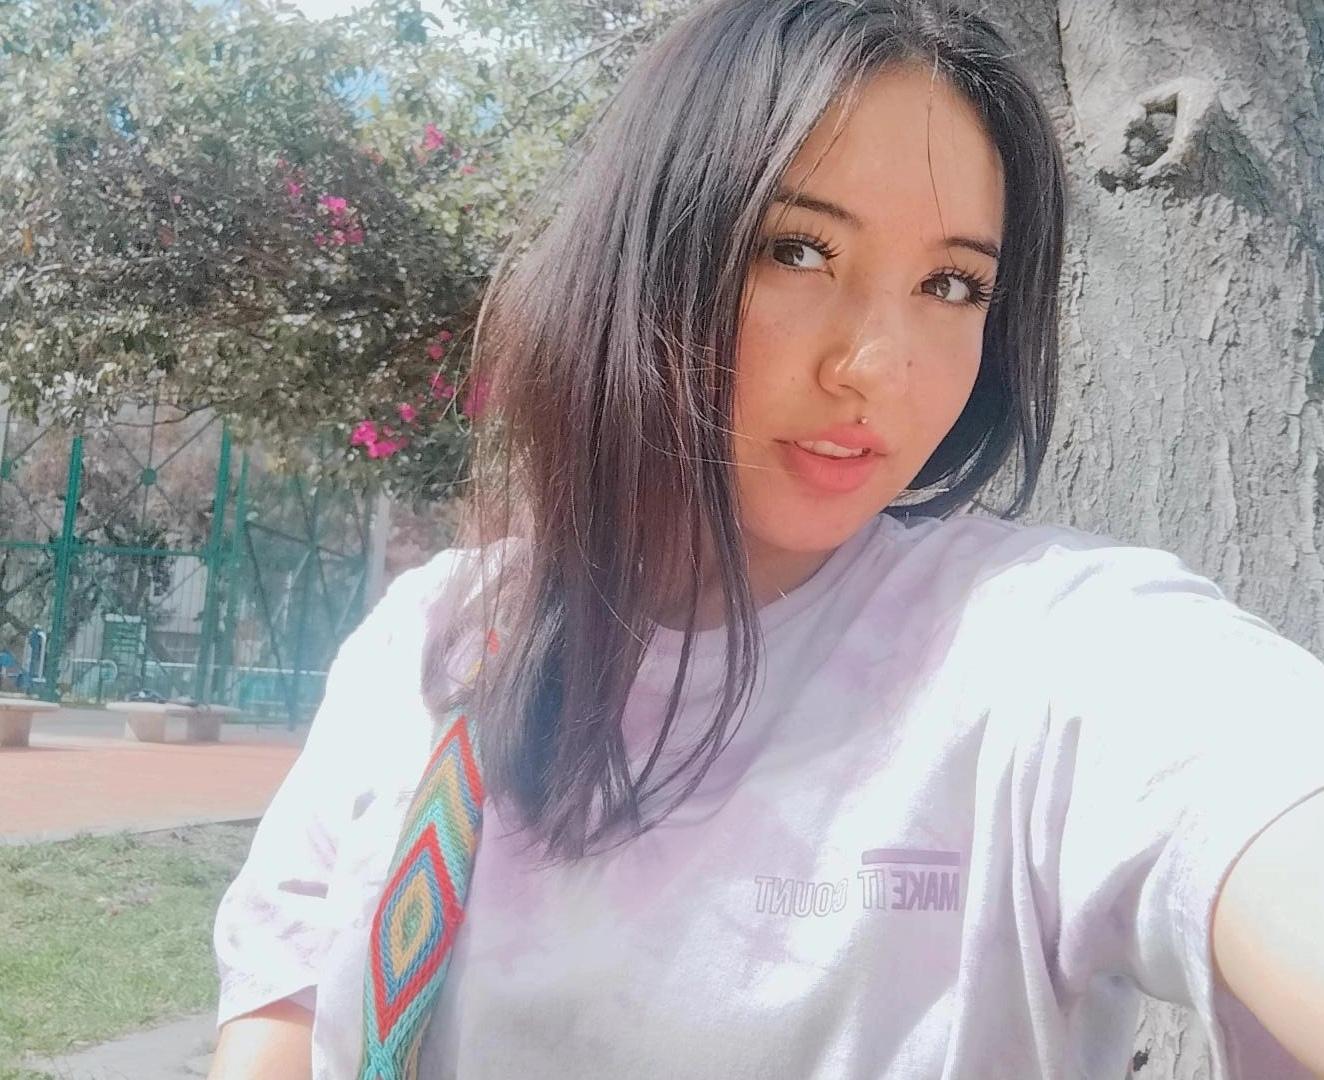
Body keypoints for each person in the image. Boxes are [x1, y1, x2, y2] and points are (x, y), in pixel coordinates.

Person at [208, 1, 1324, 1077]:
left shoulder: (1045, 652)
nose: (875, 367)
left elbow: (1249, 786)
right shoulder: (430, 645)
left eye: (951, 283)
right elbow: (282, 1030)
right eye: (797, 250)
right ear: (645, 254)